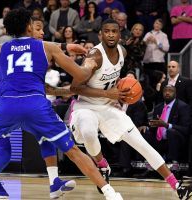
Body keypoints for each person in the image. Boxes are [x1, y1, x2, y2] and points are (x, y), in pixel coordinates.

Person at [0, 8, 123, 200]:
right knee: (72, 150)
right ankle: (110, 193)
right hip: (35, 105)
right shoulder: (46, 48)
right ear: (29, 26)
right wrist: (89, 64)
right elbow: (80, 75)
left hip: (6, 105)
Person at [69, 18, 192, 199]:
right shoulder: (94, 57)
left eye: (114, 31)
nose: (111, 34)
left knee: (141, 143)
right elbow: (75, 88)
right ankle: (103, 166)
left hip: (108, 106)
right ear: (100, 34)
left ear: (120, 34)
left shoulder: (123, 52)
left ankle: (177, 185)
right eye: (107, 31)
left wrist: (120, 87)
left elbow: (110, 79)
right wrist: (107, 94)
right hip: (85, 106)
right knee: (88, 131)